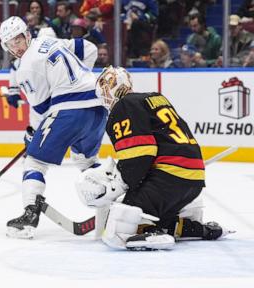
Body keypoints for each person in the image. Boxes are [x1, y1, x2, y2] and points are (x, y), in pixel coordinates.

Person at [75, 66, 226, 251]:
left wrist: (118, 186)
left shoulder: (124, 106)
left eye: (104, 92)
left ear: (110, 88)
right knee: (159, 214)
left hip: (167, 178)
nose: (105, 99)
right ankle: (186, 227)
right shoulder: (155, 98)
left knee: (120, 224)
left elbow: (139, 156)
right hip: (194, 181)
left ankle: (149, 230)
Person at [0, 16, 107, 239]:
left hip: (70, 111)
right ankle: (110, 204)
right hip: (98, 106)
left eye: (18, 40)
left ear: (26, 35)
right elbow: (90, 49)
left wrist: (33, 137)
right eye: (11, 44)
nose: (16, 47)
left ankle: (29, 215)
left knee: (35, 161)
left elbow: (40, 109)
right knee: (85, 161)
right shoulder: (51, 42)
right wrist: (79, 77)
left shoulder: (26, 68)